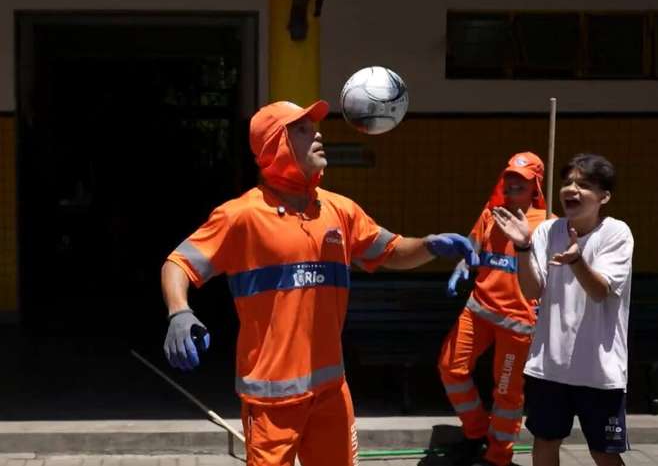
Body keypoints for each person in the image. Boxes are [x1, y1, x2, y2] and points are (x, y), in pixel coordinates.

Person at [160, 100, 479, 466]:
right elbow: (178, 263)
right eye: (301, 129)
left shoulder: (339, 210)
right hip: (270, 401)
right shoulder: (240, 216)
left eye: (314, 127)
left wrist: (429, 245)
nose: (318, 133)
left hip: (331, 392)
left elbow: (391, 251)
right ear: (274, 143)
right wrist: (179, 311)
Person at [492, 153, 633, 466]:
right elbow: (531, 291)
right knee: (545, 442)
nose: (572, 189)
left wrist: (576, 260)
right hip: (549, 365)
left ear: (604, 196)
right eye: (568, 182)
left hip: (599, 370)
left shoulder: (617, 233)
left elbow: (599, 291)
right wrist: (523, 247)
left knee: (603, 452)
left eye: (583, 184)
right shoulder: (547, 231)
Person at [438, 152, 549, 466]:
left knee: (506, 394)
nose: (513, 184)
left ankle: (498, 456)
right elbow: (472, 247)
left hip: (518, 323)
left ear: (536, 186)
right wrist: (462, 264)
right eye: (510, 177)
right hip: (478, 310)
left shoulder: (548, 225)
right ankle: (476, 432)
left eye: (522, 181)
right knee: (450, 368)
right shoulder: (491, 214)